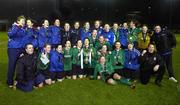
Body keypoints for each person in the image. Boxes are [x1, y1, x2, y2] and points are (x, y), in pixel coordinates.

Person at [7, 15, 26, 87]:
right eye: (22, 21)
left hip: (21, 50)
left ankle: (18, 80)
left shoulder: (23, 29)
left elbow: (24, 40)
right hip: (13, 49)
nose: (23, 22)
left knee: (20, 66)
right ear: (18, 21)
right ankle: (9, 82)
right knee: (12, 66)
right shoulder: (14, 27)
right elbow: (10, 34)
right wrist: (18, 27)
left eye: (24, 21)